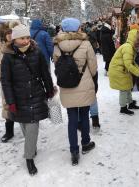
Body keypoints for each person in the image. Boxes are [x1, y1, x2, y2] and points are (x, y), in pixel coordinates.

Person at [0, 24, 55, 175]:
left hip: (36, 95)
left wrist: (49, 89)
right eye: (22, 38)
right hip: (18, 98)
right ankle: (32, 148)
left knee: (32, 127)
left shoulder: (37, 52)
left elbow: (45, 73)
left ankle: (29, 158)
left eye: (28, 37)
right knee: (25, 125)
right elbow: (6, 81)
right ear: (15, 39)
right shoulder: (8, 56)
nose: (26, 41)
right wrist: (10, 102)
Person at [53, 18, 97, 166]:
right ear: (78, 28)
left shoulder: (57, 45)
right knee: (84, 115)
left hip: (67, 86)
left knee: (72, 119)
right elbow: (93, 66)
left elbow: (57, 65)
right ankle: (85, 143)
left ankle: (74, 151)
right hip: (83, 84)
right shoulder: (85, 43)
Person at [108, 27, 139, 115]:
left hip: (122, 70)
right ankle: (123, 108)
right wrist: (138, 74)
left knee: (128, 86)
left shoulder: (130, 47)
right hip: (118, 71)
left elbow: (132, 62)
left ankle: (130, 103)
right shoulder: (128, 47)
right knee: (124, 89)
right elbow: (128, 64)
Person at [0, 21, 20, 143]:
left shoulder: (18, 44)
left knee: (22, 103)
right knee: (7, 104)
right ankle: (9, 131)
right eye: (7, 33)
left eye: (11, 33)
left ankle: (29, 127)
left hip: (19, 81)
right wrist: (0, 76)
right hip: (6, 82)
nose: (9, 35)